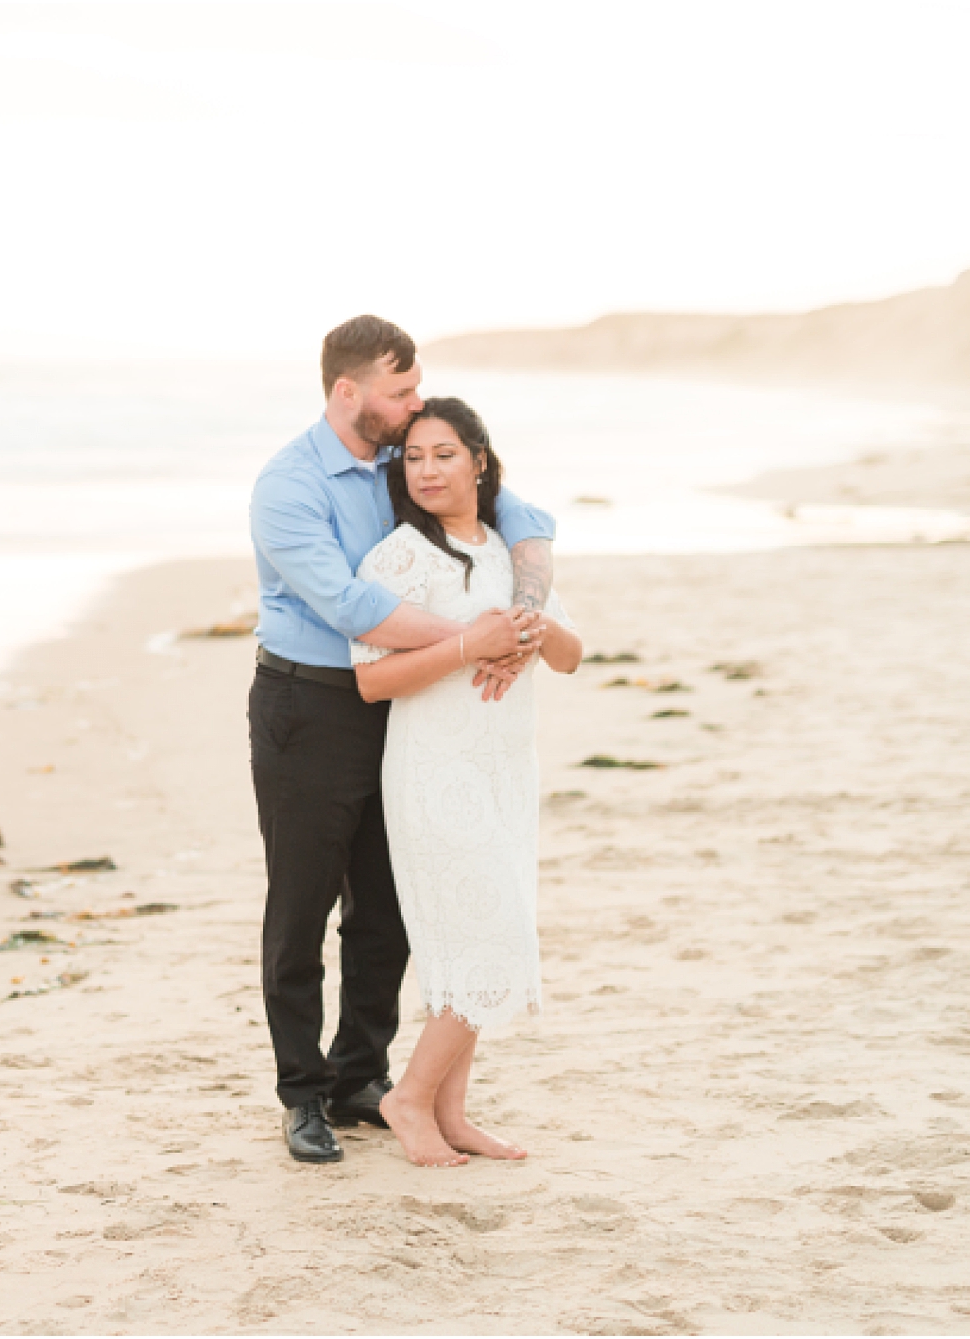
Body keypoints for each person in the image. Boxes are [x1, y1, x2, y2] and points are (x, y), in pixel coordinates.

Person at [248, 317, 557, 1165]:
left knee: (385, 908)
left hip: (403, 709)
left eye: (418, 392)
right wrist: (476, 635)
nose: (415, 407)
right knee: (301, 905)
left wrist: (526, 610)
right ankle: (304, 1095)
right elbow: (351, 608)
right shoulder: (288, 485)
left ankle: (361, 1080)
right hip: (308, 706)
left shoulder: (399, 455)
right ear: (347, 392)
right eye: (401, 392)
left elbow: (522, 514)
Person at [350, 397, 581, 1166]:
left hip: (507, 770)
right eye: (413, 458)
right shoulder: (398, 560)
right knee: (488, 934)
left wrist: (533, 631)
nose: (427, 471)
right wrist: (466, 647)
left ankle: (452, 1109)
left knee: (477, 940)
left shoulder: (515, 559)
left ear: (479, 462)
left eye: (443, 454)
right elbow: (372, 681)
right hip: (434, 770)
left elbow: (574, 653)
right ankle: (408, 1096)